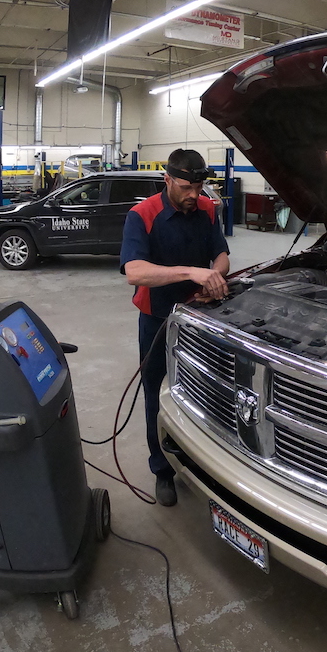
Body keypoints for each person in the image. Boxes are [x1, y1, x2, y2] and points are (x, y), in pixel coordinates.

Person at [120, 149, 229, 506]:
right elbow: (134, 272)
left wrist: (216, 273)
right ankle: (162, 470)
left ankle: (205, 462)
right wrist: (191, 272)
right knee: (157, 394)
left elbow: (222, 255)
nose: (193, 195)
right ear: (166, 179)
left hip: (200, 319)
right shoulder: (143, 214)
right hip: (157, 320)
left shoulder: (208, 210)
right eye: (185, 187)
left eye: (198, 187)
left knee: (206, 392)